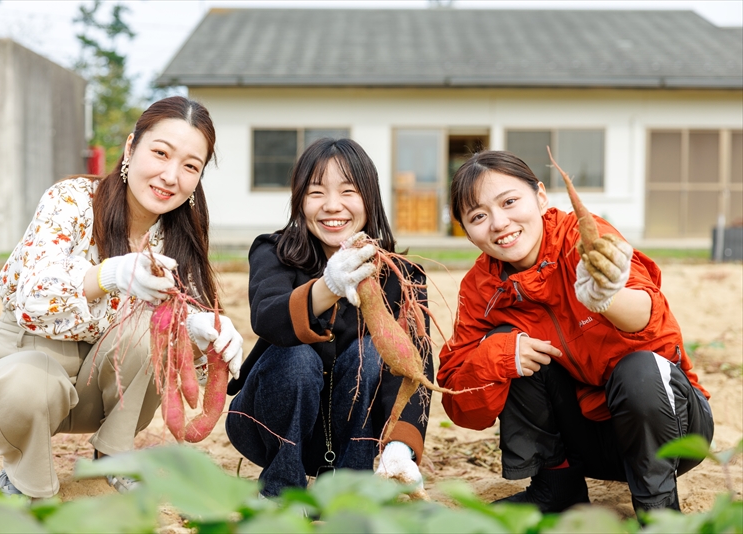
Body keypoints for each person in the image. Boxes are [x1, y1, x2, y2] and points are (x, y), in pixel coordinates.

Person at [0, 96, 244, 499]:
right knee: (26, 383)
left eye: (189, 166)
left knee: (157, 327)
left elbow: (187, 374)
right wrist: (110, 274)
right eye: (160, 153)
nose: (170, 175)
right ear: (131, 148)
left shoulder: (177, 239)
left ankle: (114, 453)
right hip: (22, 375)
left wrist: (203, 334)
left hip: (103, 393)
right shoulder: (73, 200)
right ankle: (28, 480)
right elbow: (33, 300)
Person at [437, 150, 713, 514]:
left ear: (539, 196)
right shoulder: (481, 288)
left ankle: (658, 508)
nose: (499, 223)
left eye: (509, 202)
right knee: (503, 344)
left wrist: (605, 296)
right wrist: (501, 357)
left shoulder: (583, 238)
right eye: (478, 216)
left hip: (671, 430)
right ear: (467, 231)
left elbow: (656, 329)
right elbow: (460, 404)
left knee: (639, 369)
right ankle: (557, 485)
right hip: (588, 444)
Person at [225, 138, 433, 498]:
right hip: (269, 423)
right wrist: (329, 286)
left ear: (370, 198)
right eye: (316, 192)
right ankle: (280, 492)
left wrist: (402, 444)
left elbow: (416, 366)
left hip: (353, 437)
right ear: (299, 200)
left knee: (372, 354)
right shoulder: (274, 252)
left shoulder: (403, 275)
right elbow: (266, 317)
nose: (332, 206)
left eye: (348, 191)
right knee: (296, 355)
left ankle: (349, 492)